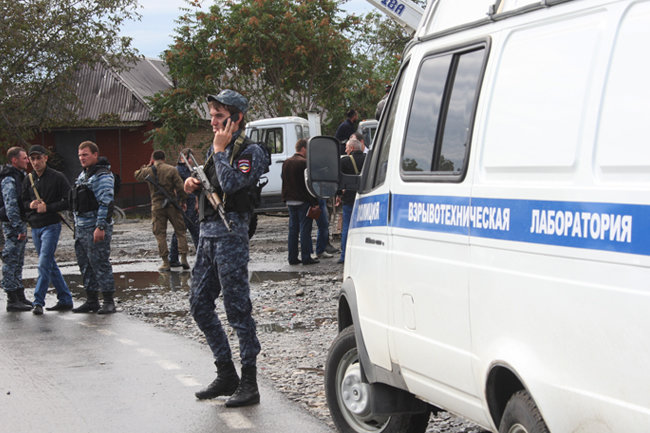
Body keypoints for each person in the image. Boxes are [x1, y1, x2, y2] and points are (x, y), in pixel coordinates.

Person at [185, 89, 268, 407]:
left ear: (237, 117)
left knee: (237, 309)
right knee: (199, 304)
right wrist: (191, 184)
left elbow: (233, 184)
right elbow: (212, 184)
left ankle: (249, 382)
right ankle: (226, 373)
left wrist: (220, 152)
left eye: (219, 116)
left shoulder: (251, 151)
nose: (213, 122)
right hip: (207, 235)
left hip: (231, 235)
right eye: (212, 116)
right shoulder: (215, 149)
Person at [21, 145, 74, 314]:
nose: (35, 162)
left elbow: (69, 200)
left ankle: (38, 301)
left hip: (51, 225)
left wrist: (48, 207)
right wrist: (30, 204)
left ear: (45, 158)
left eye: (38, 158)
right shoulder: (28, 179)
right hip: (35, 227)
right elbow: (22, 202)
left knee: (44, 263)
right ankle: (65, 298)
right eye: (32, 159)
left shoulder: (58, 177)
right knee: (49, 263)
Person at [70, 141, 116, 314]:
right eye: (80, 155)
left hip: (95, 227)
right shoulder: (83, 175)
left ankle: (109, 301)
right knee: (85, 265)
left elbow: (106, 203)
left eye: (85, 155)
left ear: (95, 155)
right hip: (81, 227)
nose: (82, 158)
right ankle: (91, 300)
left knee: (100, 263)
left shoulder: (102, 176)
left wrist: (101, 226)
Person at [135, 150, 189, 271]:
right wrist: (183, 201)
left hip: (157, 206)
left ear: (153, 159)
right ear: (164, 158)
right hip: (172, 205)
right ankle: (183, 258)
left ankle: (165, 262)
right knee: (180, 231)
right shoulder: (171, 169)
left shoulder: (148, 170)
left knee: (160, 234)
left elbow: (137, 175)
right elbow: (180, 188)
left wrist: (147, 165)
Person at [1, 147, 31, 312]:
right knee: (11, 260)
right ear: (14, 160)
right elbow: (10, 205)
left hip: (20, 222)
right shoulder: (9, 179)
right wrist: (18, 226)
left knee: (18, 261)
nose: (27, 161)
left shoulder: (20, 176)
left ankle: (19, 294)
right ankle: (12, 298)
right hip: (12, 225)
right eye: (24, 158)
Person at [281, 139, 319, 266]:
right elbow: (309, 185)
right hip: (303, 200)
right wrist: (315, 202)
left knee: (293, 230)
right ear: (303, 149)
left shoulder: (286, 162)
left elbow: (284, 180)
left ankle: (292, 257)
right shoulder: (304, 163)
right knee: (304, 229)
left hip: (290, 200)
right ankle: (306, 257)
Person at [169, 148, 199, 268]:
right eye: (189, 158)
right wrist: (180, 202)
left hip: (192, 204)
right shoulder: (177, 171)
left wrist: (197, 202)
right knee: (180, 232)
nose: (191, 160)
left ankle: (202, 256)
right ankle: (173, 258)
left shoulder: (191, 170)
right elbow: (175, 189)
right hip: (183, 205)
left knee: (196, 231)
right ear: (183, 158)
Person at [337, 138, 366, 264]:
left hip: (349, 199)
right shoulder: (369, 159)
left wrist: (338, 194)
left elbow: (338, 179)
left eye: (347, 147)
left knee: (347, 227)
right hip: (366, 198)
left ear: (352, 148)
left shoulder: (344, 161)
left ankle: (345, 256)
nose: (345, 150)